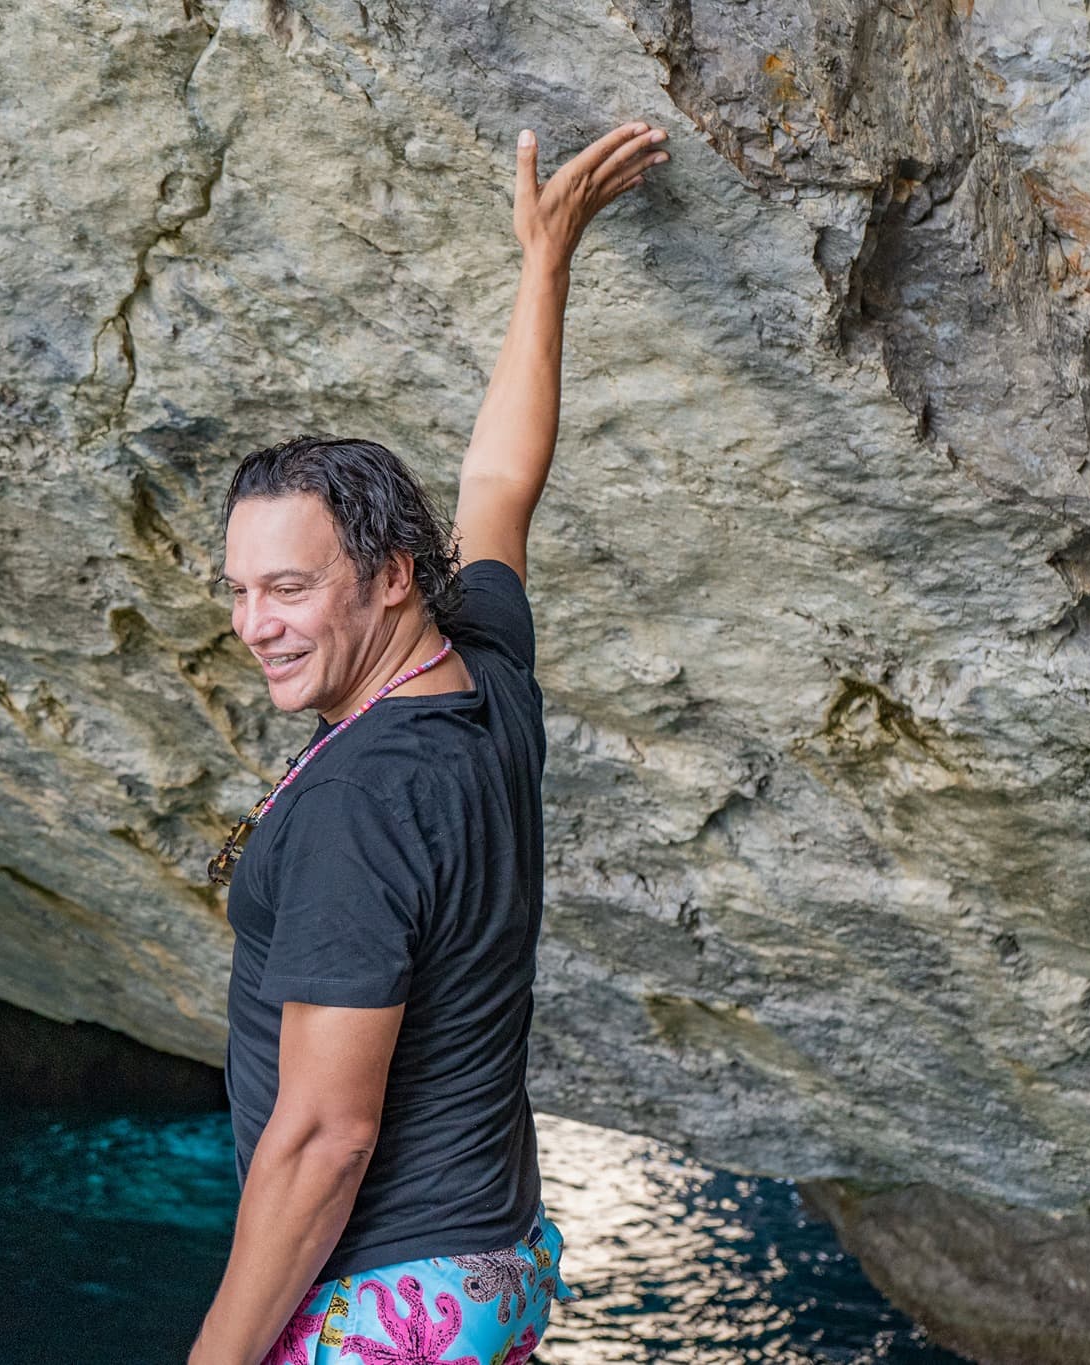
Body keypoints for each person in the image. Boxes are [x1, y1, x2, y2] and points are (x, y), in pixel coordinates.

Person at [189, 119, 671, 1365]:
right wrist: (543, 260)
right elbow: (501, 481)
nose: (255, 625)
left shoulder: (369, 803)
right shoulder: (484, 669)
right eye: (239, 590)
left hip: (383, 1301)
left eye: (288, 589)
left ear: (390, 577)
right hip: (491, 1262)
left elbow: (322, 1139)